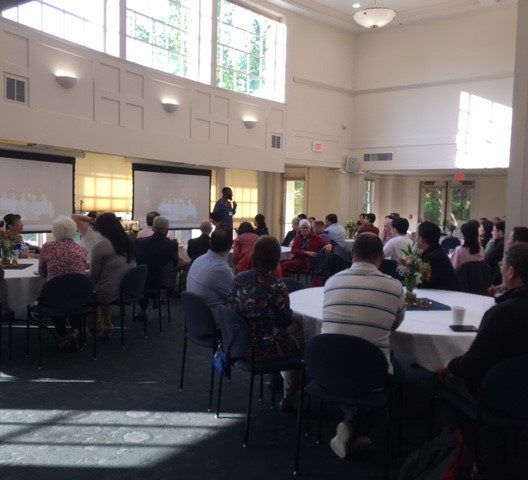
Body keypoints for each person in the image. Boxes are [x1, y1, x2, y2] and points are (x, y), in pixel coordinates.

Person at [322, 233, 405, 459]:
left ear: (351, 254)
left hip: (327, 368)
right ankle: (357, 426)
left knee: (356, 364)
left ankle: (350, 426)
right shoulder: (395, 287)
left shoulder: (331, 282)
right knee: (397, 373)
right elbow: (394, 325)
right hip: (370, 374)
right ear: (380, 258)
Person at [439, 243, 528, 397]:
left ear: (511, 272)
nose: (501, 268)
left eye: (502, 265)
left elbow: (474, 363)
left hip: (498, 393)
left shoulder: (502, 313)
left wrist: (449, 366)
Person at [228, 236, 302, 412]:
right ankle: (288, 396)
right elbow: (284, 321)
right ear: (277, 260)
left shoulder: (237, 280)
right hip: (264, 348)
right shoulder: (277, 287)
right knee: (299, 337)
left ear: (253, 256)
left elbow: (232, 308)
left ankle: (276, 378)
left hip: (240, 344)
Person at [38, 215, 89, 349]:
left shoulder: (47, 247)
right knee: (73, 296)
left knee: (57, 296)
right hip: (79, 298)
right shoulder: (81, 249)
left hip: (54, 298)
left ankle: (62, 335)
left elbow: (42, 272)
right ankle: (76, 331)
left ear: (55, 231)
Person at [90, 212, 137, 337]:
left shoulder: (101, 246)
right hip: (127, 288)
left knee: (85, 286)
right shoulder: (128, 242)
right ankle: (107, 324)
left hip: (110, 290)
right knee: (105, 282)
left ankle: (87, 327)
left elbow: (94, 274)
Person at [136, 215, 179, 315]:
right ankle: (163, 296)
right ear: (167, 229)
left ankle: (142, 310)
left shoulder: (140, 243)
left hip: (143, 281)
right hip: (162, 283)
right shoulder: (172, 244)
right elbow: (174, 263)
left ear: (153, 228)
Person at [186, 227, 234, 315]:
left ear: (209, 242)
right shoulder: (221, 269)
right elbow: (235, 297)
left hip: (195, 317)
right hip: (215, 320)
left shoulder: (198, 260)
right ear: (231, 246)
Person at [417, 221, 459, 290]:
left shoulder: (431, 258)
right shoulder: (438, 251)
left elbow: (422, 284)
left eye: (416, 235)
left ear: (421, 239)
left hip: (444, 296)